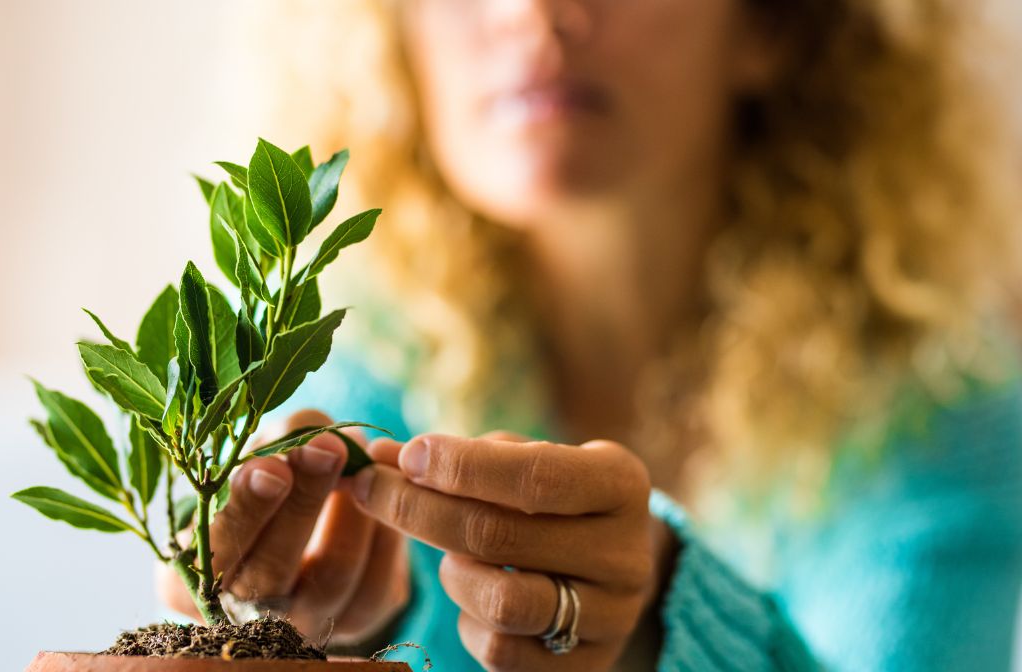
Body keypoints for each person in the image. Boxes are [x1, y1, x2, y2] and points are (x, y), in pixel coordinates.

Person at [162, 0, 1022, 669]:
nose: (532, 12)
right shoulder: (349, 364)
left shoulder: (947, 407)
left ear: (772, 24)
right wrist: (300, 632)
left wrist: (664, 621)